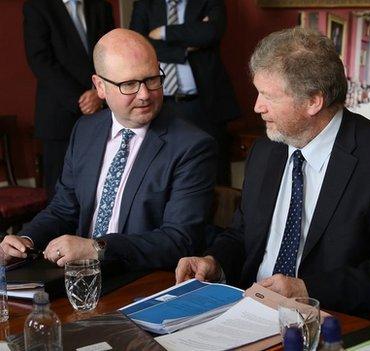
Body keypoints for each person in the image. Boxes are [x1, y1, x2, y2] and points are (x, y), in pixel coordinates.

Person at [174, 27, 370, 320]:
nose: (257, 107)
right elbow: (243, 234)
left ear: (313, 101)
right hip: (246, 309)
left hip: (331, 318)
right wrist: (215, 262)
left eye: (268, 96)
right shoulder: (266, 150)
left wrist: (305, 288)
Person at [0, 29, 215, 270]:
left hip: (142, 279)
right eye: (130, 84)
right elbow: (63, 209)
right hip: (79, 275)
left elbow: (179, 241)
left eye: (152, 79)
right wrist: (26, 240)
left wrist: (97, 248)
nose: (145, 95)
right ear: (100, 86)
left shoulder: (191, 145)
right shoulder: (85, 130)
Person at [130, 0, 240, 185]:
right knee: (165, 173)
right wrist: (185, 47)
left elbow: (210, 33)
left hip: (204, 105)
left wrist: (163, 32)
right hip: (159, 106)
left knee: (214, 174)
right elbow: (137, 44)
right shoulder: (144, 4)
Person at [23, 0, 115, 197]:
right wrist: (79, 99)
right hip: (59, 116)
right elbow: (40, 60)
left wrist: (99, 93)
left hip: (102, 111)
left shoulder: (101, 6)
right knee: (60, 194)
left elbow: (112, 52)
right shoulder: (37, 7)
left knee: (101, 188)